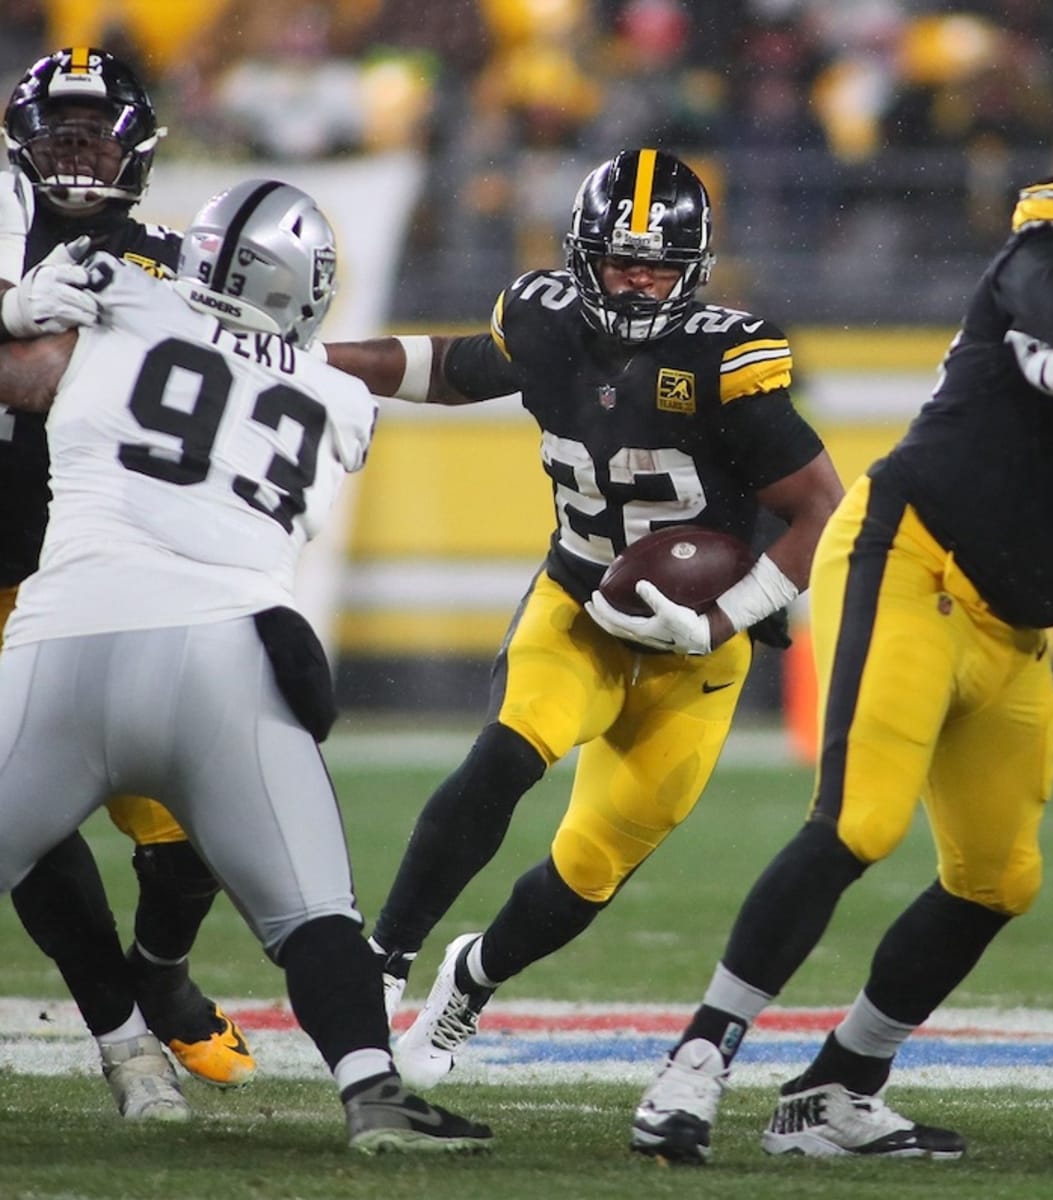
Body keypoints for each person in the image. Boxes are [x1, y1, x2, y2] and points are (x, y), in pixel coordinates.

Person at [624, 112, 1053, 1166]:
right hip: (910, 556)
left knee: (999, 877)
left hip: (1015, 627)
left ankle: (837, 1088)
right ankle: (694, 1062)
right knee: (859, 821)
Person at [324, 146, 844, 1088]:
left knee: (587, 873)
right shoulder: (547, 322)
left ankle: (468, 981)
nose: (637, 280)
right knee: (505, 755)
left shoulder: (723, 356)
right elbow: (456, 366)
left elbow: (821, 506)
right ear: (580, 257)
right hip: (580, 603)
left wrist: (726, 620)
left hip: (696, 653)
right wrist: (314, 363)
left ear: (693, 268)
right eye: (619, 260)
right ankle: (383, 960)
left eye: (656, 263)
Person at [0, 176, 493, 1152]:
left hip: (68, 637)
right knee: (317, 914)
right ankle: (371, 1093)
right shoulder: (339, 399)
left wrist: (15, 308)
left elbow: (25, 377)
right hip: (228, 657)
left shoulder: (122, 294)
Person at [0, 46, 256, 1107]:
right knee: (33, 822)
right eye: (54, 137)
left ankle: (161, 978)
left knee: (189, 830)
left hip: (117, 572)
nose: (72, 159)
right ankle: (121, 1043)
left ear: (136, 149)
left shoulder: (173, 258)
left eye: (90, 137)